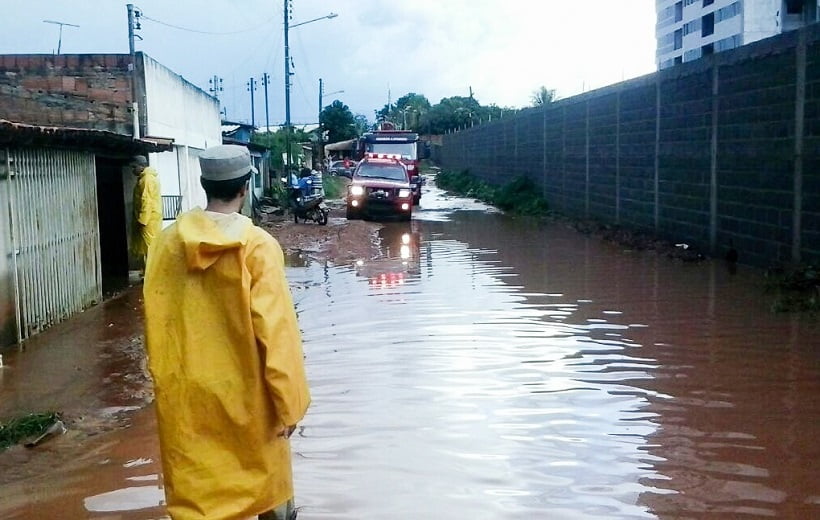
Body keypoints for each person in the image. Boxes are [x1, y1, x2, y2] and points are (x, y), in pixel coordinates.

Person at [143, 144, 310, 520]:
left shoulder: (166, 245)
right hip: (249, 399)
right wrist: (290, 403)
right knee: (267, 494)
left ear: (204, 184)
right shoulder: (257, 247)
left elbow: (157, 320)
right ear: (245, 188)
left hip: (189, 398)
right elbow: (277, 332)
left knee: (199, 498)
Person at [130, 155, 162, 268]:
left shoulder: (146, 179)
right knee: (148, 248)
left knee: (149, 248)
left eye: (134, 167)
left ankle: (150, 275)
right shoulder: (148, 178)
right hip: (152, 219)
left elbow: (146, 200)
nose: (133, 170)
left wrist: (142, 220)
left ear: (141, 166)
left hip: (148, 220)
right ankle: (148, 274)